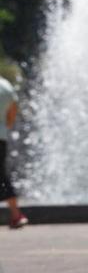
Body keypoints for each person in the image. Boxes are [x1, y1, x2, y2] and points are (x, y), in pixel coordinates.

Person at [0, 75, 29, 229]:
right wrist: (5, 128)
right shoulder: (5, 86)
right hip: (1, 136)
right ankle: (16, 215)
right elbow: (12, 111)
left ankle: (16, 215)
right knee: (2, 175)